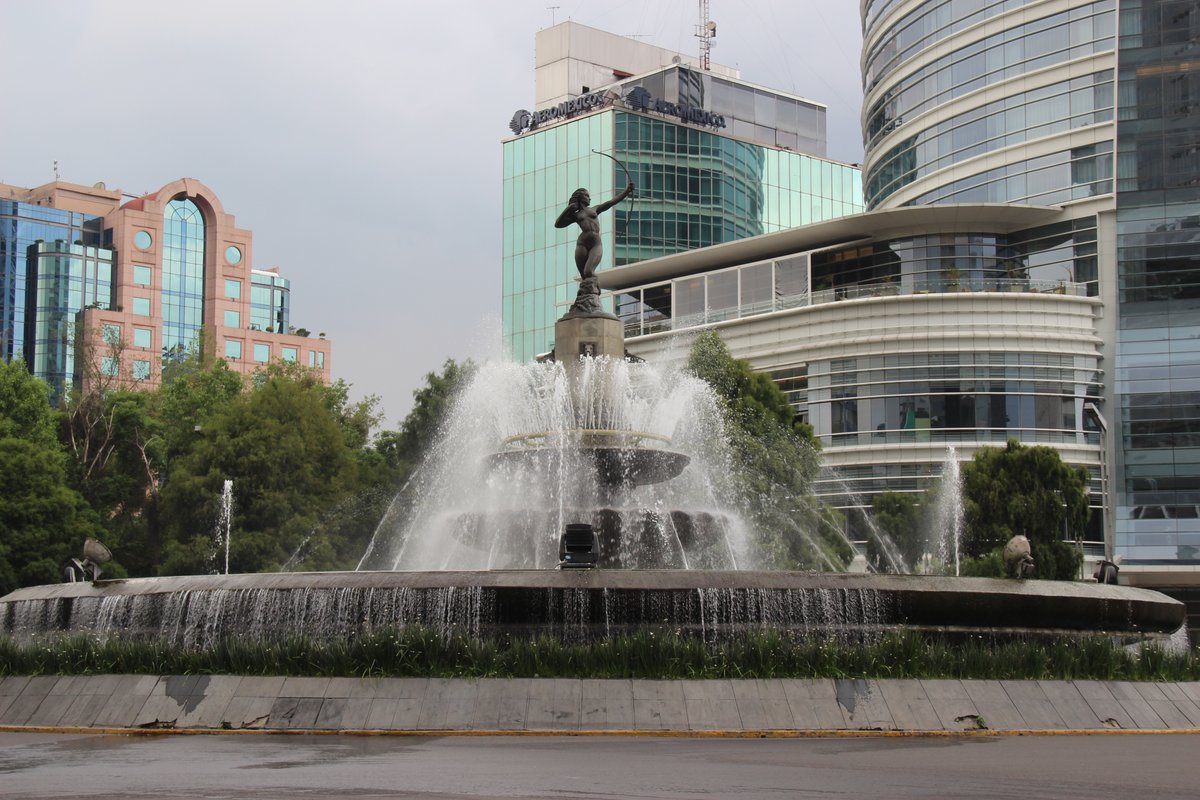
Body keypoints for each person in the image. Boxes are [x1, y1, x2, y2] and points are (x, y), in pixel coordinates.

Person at [555, 182, 635, 280]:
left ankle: (595, 288)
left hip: (595, 243)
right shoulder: (575, 215)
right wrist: (568, 209)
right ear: (580, 197)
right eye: (587, 195)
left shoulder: (595, 209)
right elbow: (558, 224)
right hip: (582, 243)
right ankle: (587, 292)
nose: (589, 198)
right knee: (584, 276)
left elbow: (611, 202)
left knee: (588, 271)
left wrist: (627, 191)